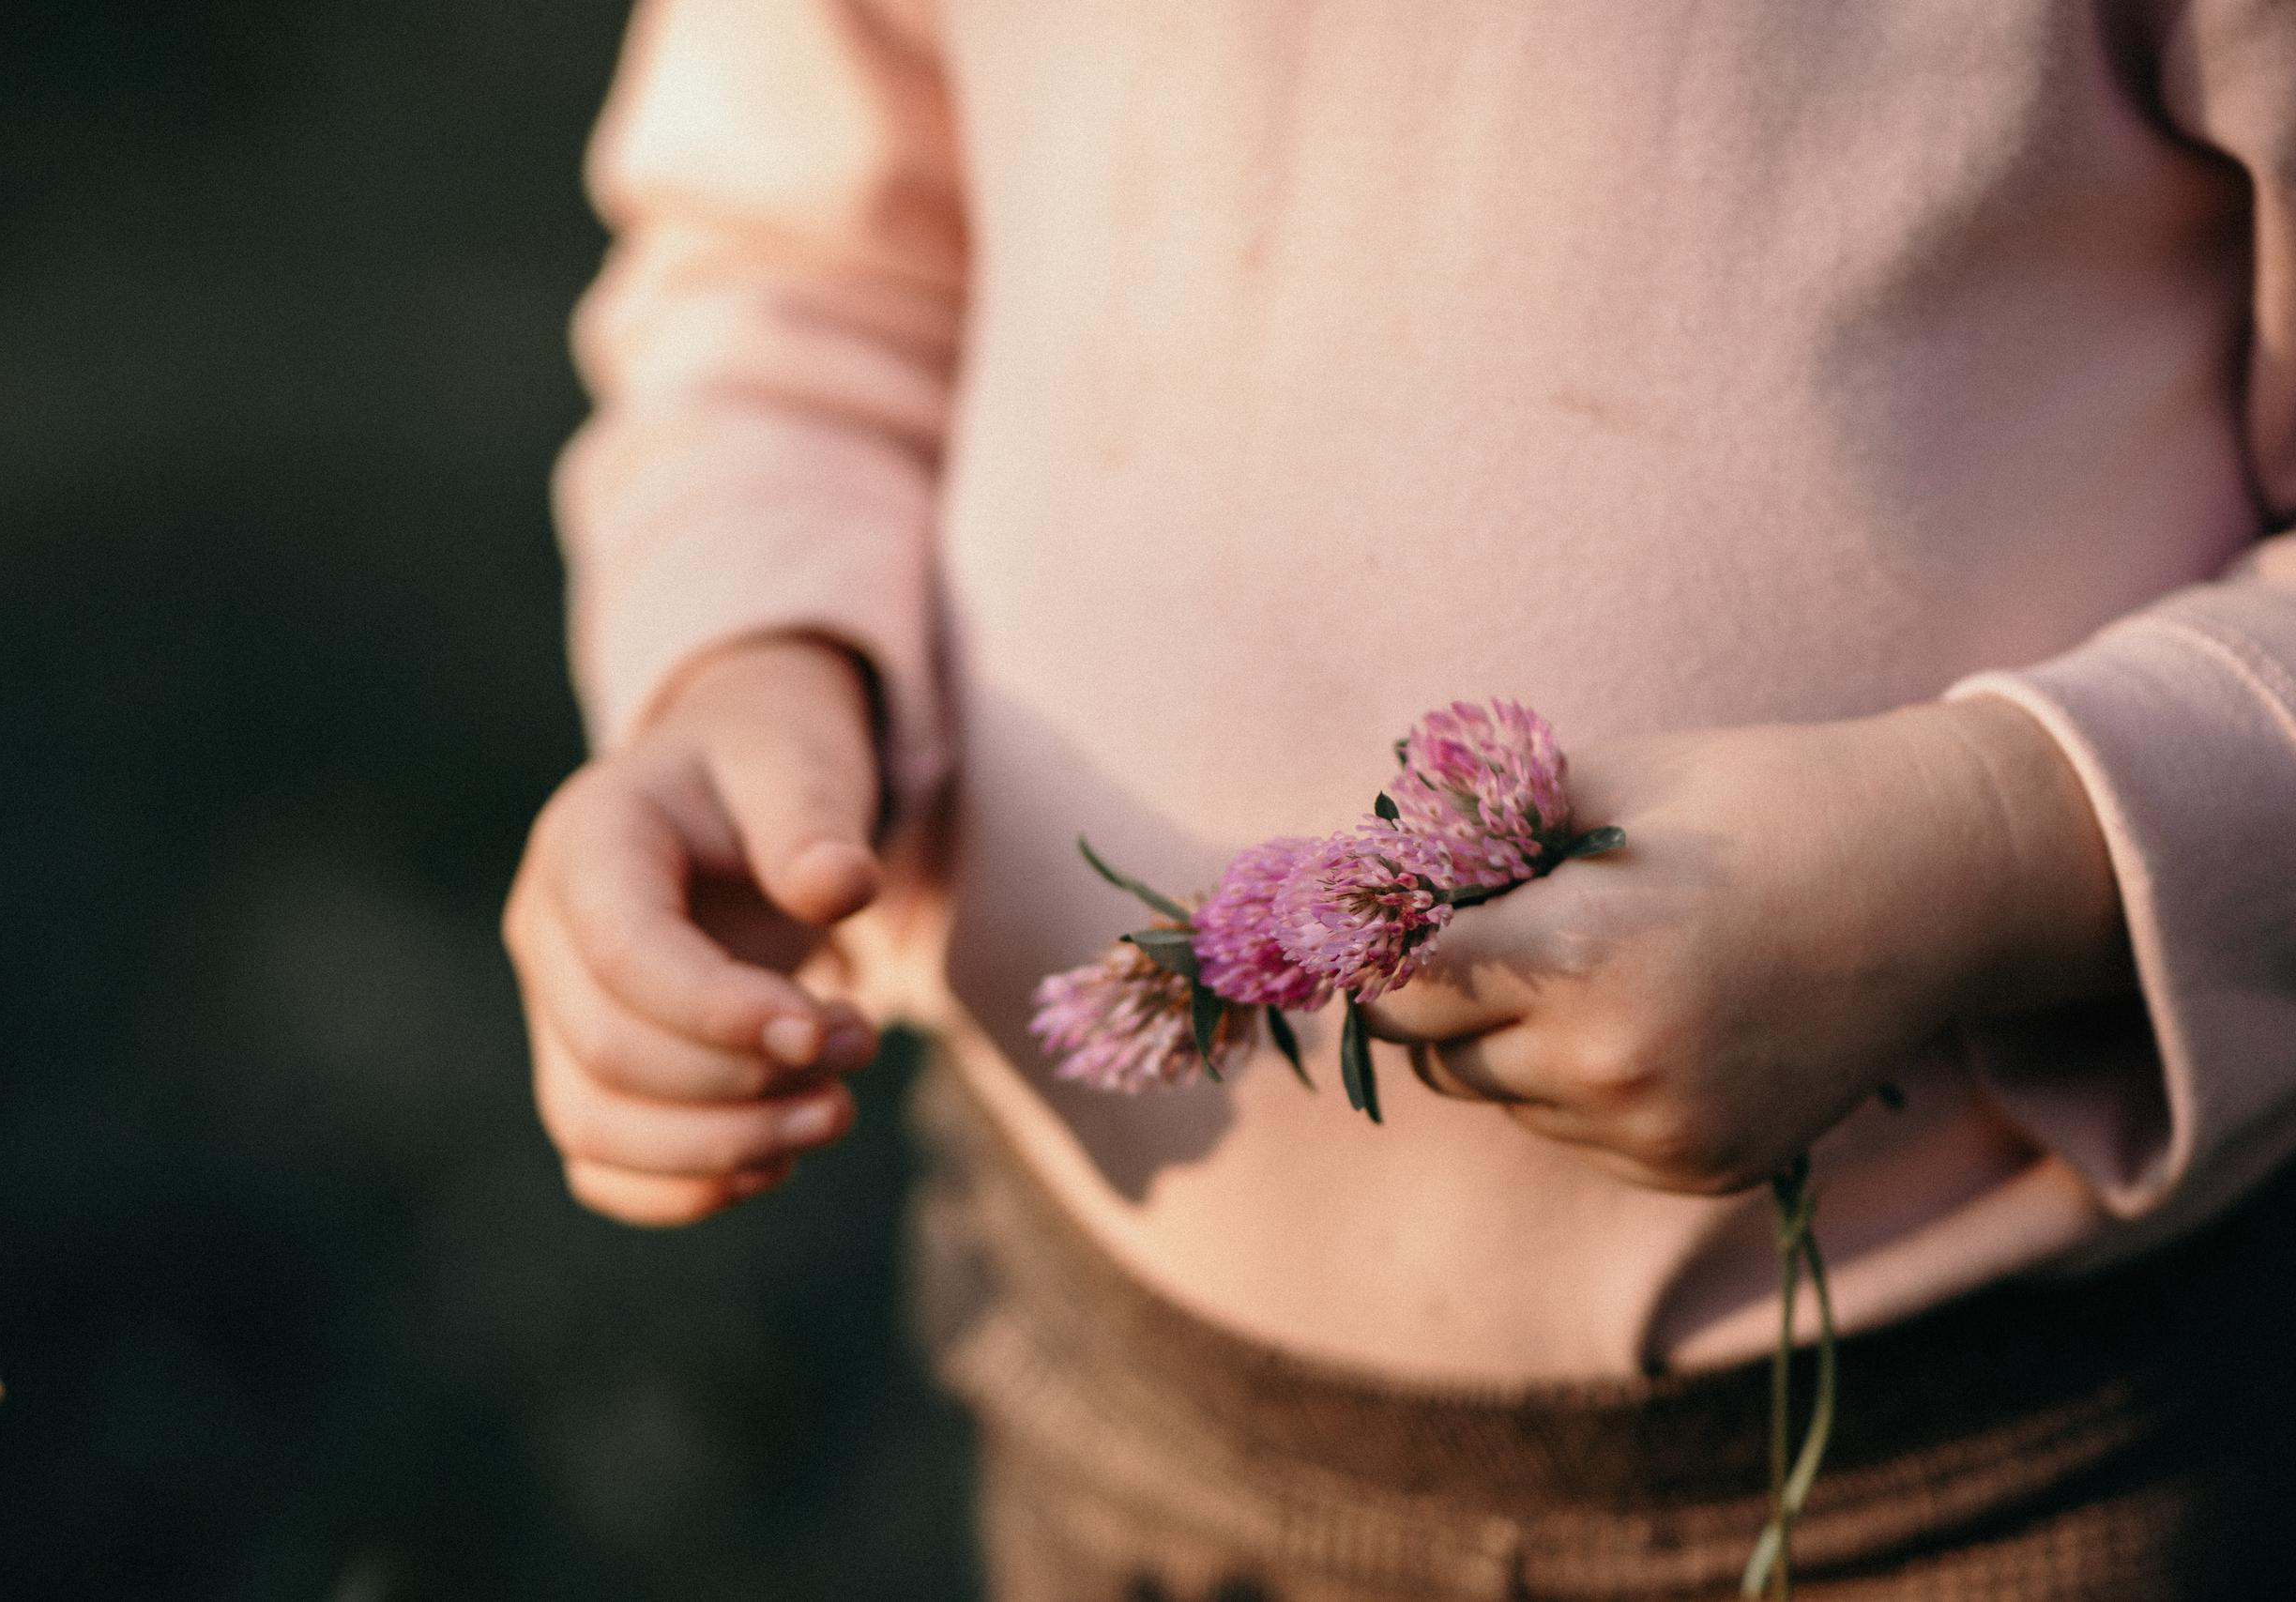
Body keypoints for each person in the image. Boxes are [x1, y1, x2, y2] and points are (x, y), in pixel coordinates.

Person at [502, 3, 2296, 1595]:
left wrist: (1995, 845)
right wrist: (749, 658)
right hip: (1123, 1371)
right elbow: (797, 274)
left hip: (1983, 1452)